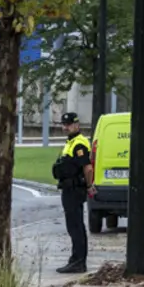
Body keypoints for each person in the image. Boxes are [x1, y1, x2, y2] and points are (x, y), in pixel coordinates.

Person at [54, 112, 93, 274]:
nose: (65, 127)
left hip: (75, 189)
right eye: (63, 125)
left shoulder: (79, 144)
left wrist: (89, 186)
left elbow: (88, 168)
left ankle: (78, 261)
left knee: (76, 226)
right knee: (73, 225)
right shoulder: (71, 142)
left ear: (76, 125)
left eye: (68, 124)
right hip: (69, 188)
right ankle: (75, 259)